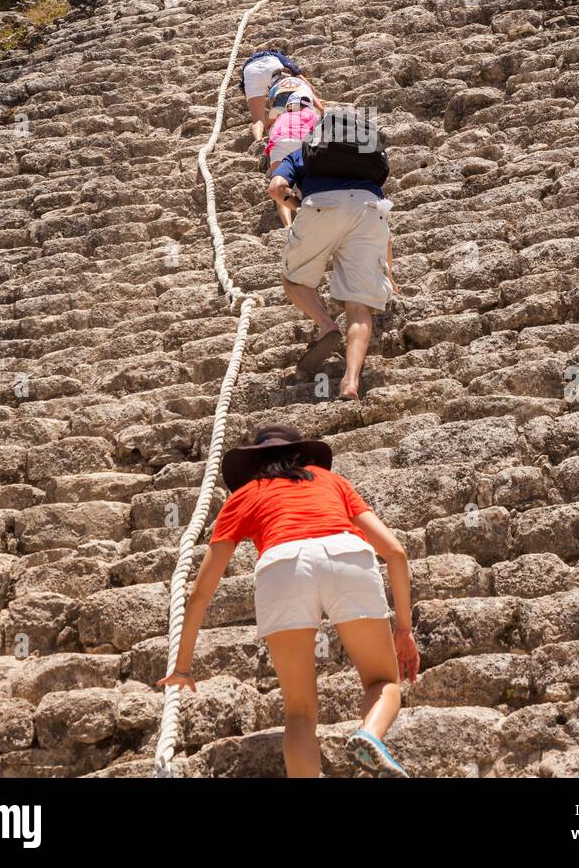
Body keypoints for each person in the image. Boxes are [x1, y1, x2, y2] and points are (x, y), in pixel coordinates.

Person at [157, 424, 419, 779]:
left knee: (299, 714)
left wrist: (183, 666)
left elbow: (201, 591)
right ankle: (369, 734)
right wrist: (404, 629)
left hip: (282, 565)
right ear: (299, 455)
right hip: (346, 554)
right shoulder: (331, 482)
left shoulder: (244, 495)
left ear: (254, 462)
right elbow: (396, 552)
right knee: (383, 683)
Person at [269, 108, 397, 398]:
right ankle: (350, 382)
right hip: (370, 210)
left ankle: (326, 326)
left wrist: (298, 205)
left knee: (293, 279)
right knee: (359, 306)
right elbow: (385, 230)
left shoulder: (304, 152)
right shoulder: (364, 160)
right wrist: (390, 273)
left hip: (320, 205)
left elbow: (277, 188)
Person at [266, 101, 321, 227]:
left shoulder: (282, 116)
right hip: (301, 141)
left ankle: (288, 225)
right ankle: (311, 212)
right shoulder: (311, 113)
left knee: (279, 183)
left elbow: (270, 132)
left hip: (279, 144)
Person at [239, 47, 308, 142]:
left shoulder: (250, 61)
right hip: (272, 64)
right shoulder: (277, 55)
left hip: (249, 71)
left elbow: (243, 86)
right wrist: (307, 85)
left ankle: (258, 141)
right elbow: (292, 68)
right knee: (284, 100)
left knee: (258, 120)